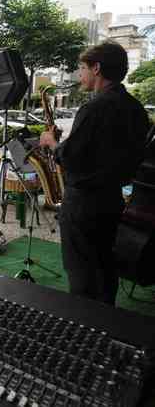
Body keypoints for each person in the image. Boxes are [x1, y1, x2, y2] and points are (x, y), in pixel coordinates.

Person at [39, 41, 149, 305]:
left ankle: (85, 335)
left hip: (83, 205)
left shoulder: (93, 108)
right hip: (113, 201)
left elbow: (71, 159)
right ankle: (105, 327)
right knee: (104, 268)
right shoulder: (137, 109)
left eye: (82, 68)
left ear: (97, 68)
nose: (80, 75)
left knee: (82, 276)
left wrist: (51, 142)